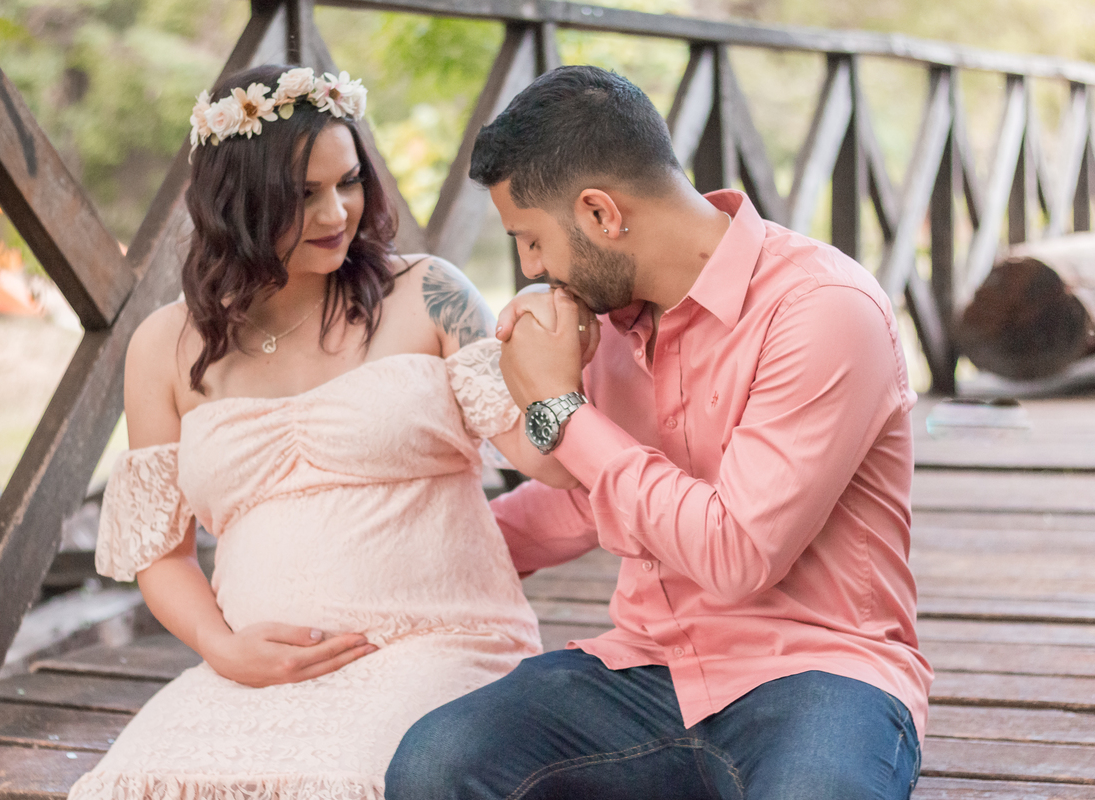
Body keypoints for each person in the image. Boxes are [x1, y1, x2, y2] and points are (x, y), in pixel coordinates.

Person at [384, 65, 933, 800]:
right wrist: (421, 566)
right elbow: (589, 497)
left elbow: (738, 553)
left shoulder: (823, 309)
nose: (530, 268)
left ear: (600, 213)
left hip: (819, 674)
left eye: (531, 239)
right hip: (644, 668)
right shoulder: (608, 318)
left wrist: (559, 408)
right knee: (435, 763)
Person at [68, 63, 589, 800]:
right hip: (252, 671)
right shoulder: (165, 345)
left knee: (353, 781)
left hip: (436, 643)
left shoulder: (429, 292)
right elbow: (160, 553)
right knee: (133, 785)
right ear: (235, 205)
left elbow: (549, 461)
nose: (336, 212)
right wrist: (224, 648)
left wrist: (560, 369)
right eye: (302, 195)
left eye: (348, 182)